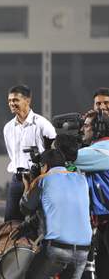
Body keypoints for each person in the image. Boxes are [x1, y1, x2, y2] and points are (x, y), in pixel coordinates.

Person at [21, 149, 92, 279]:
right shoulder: (82, 179)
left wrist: (28, 185)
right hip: (84, 249)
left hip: (58, 247)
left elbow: (26, 208)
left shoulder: (43, 179)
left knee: (31, 276)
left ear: (46, 166)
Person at [3, 85, 56, 221]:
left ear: (27, 100)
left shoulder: (43, 125)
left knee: (37, 221)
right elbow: (12, 155)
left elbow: (53, 154)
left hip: (38, 179)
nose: (11, 103)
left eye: (15, 100)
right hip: (17, 179)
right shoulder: (8, 128)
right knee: (10, 222)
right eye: (9, 100)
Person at [75, 110, 109, 278]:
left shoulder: (102, 150)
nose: (82, 130)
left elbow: (68, 157)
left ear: (98, 129)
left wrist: (58, 144)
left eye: (86, 126)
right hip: (103, 223)